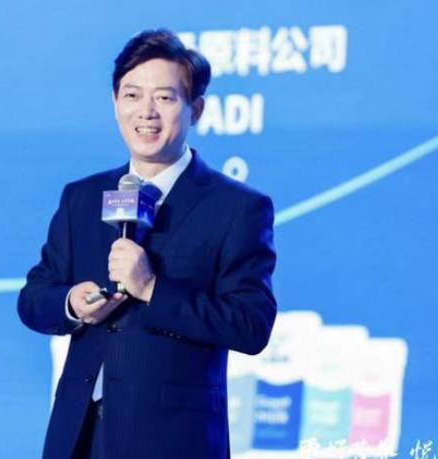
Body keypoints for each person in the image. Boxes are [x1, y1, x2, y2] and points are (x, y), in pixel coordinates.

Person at [18, 28, 277, 459]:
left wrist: (153, 288)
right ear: (115, 103)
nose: (147, 112)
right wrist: (72, 304)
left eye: (165, 97)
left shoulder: (237, 208)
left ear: (196, 109)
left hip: (173, 441)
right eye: (133, 95)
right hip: (78, 437)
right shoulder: (82, 197)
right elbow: (33, 298)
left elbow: (251, 326)